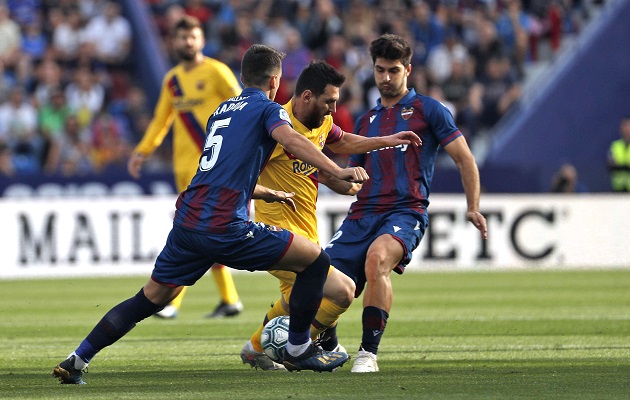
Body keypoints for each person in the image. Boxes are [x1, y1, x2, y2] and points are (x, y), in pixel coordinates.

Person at [52, 44, 367, 385]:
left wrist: (265, 191)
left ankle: (77, 359)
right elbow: (291, 140)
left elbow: (220, 172)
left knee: (151, 298)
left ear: (242, 76)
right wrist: (339, 169)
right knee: (316, 262)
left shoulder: (221, 111)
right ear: (275, 81)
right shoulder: (269, 110)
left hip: (189, 220)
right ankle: (297, 347)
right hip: (225, 225)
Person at [239, 61, 421, 370]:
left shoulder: (319, 124)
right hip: (275, 233)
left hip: (306, 234)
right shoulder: (275, 128)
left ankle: (257, 347)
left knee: (297, 299)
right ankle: (293, 350)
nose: (333, 110)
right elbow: (243, 178)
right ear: (307, 97)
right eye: (329, 102)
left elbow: (344, 140)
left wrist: (386, 141)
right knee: (342, 290)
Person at [324, 34, 488, 373]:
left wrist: (473, 206)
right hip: (362, 214)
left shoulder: (430, 110)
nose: (386, 77)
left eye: (394, 70)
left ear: (408, 70)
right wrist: (320, 178)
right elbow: (352, 177)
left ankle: (368, 354)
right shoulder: (365, 121)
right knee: (321, 277)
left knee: (377, 259)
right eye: (380, 70)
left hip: (405, 211)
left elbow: (465, 158)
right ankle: (326, 343)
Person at [127, 16, 244, 319]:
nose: (187, 42)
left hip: (214, 167)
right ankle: (229, 299)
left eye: (193, 37)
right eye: (182, 38)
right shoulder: (173, 81)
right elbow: (160, 121)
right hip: (184, 169)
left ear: (201, 39)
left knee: (192, 232)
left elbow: (244, 107)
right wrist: (142, 151)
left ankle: (173, 302)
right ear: (174, 41)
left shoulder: (217, 72)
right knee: (201, 232)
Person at [607, 117, 630, 192]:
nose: (627, 130)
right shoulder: (615, 146)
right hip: (618, 188)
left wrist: (620, 165)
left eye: (628, 127)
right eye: (625, 127)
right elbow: (611, 165)